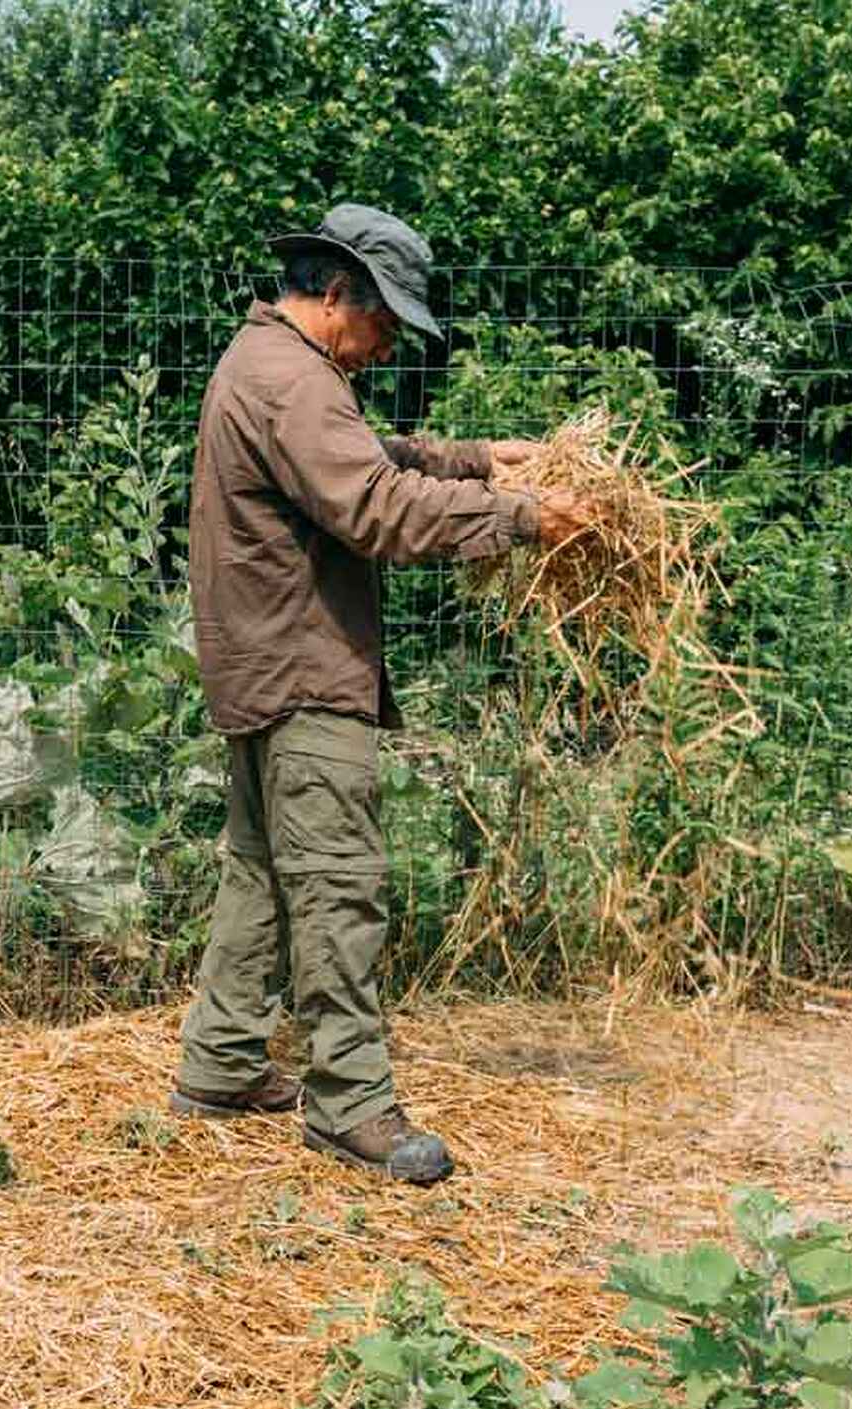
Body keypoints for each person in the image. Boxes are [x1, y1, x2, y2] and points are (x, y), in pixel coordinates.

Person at [168, 202, 591, 1185]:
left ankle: (222, 1063)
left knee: (260, 872)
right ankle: (350, 1104)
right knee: (336, 885)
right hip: (305, 670)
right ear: (334, 295)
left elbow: (362, 461)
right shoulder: (294, 380)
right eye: (384, 324)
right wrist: (523, 518)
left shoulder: (266, 365)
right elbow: (374, 506)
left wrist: (480, 460)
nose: (387, 345)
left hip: (258, 661)